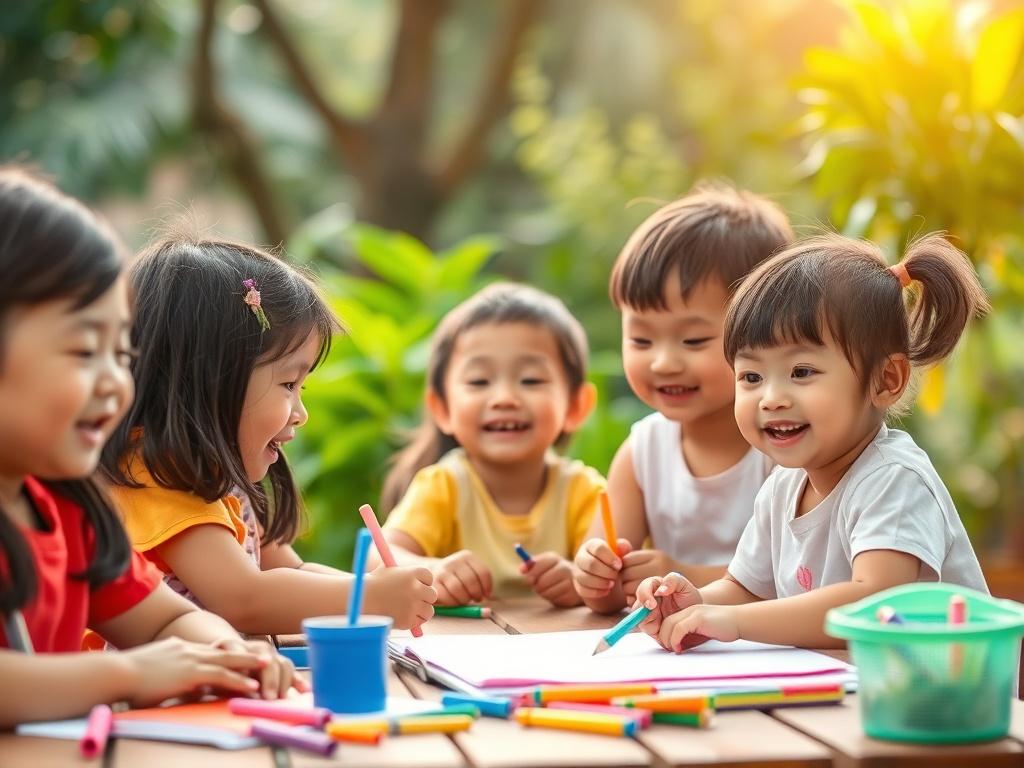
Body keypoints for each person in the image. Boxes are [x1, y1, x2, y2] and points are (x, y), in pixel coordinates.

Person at [0, 168, 296, 726]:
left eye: (122, 355)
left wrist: (224, 651)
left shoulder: (70, 511)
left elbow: (164, 622)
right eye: (86, 351)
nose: (115, 382)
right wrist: (131, 676)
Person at [637, 232, 989, 651]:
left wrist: (731, 620)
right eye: (751, 377)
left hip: (940, 699)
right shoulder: (782, 487)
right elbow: (747, 589)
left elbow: (873, 601)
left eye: (801, 371)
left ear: (885, 380)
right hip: (851, 695)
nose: (771, 398)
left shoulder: (893, 479)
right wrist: (693, 605)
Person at [102, 235, 436, 636]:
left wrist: (387, 591)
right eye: (288, 384)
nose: (301, 413)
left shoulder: (222, 478)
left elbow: (292, 571)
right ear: (214, 378)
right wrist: (366, 598)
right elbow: (246, 600)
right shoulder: (157, 474)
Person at [574, 184, 793, 613]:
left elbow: (794, 577)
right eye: (640, 338)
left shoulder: (784, 448)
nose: (663, 362)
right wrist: (595, 574)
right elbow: (601, 594)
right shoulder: (643, 453)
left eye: (693, 339)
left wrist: (684, 571)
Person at [379, 283, 604, 606]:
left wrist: (582, 580)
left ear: (576, 406)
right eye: (479, 382)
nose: (504, 399)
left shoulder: (584, 491)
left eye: (530, 380)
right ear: (442, 408)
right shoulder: (444, 486)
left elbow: (615, 577)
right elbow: (382, 555)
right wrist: (433, 570)